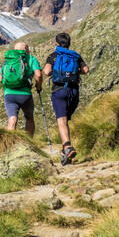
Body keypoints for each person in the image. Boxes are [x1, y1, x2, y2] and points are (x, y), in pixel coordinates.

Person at [43, 32, 89, 165]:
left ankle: (68, 146)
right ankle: (65, 151)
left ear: (56, 43)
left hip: (59, 91)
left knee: (61, 121)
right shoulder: (75, 55)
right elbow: (85, 70)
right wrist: (73, 72)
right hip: (74, 91)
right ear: (69, 43)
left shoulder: (54, 56)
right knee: (66, 119)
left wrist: (57, 72)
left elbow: (46, 72)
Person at [0, 41, 42, 137]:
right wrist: (38, 86)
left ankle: (9, 144)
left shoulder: (8, 60)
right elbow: (38, 74)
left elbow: (0, 79)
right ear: (26, 49)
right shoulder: (30, 58)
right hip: (25, 94)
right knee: (29, 118)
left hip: (9, 94)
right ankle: (28, 143)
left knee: (12, 119)